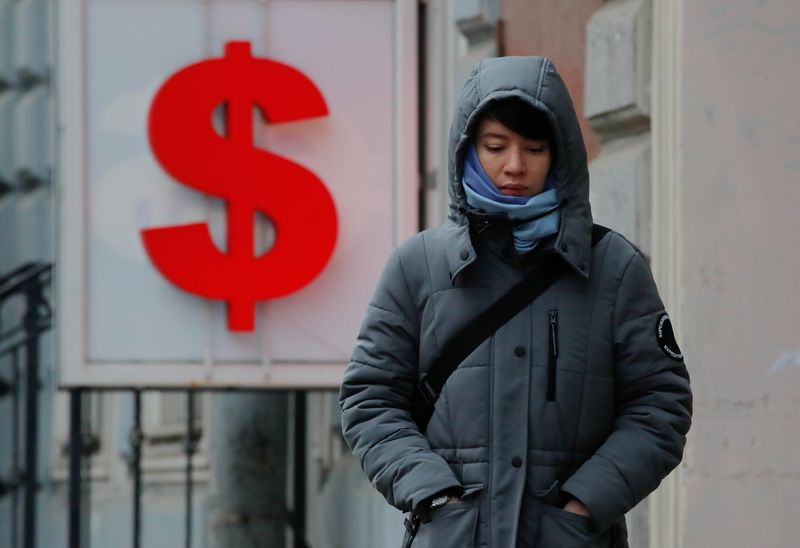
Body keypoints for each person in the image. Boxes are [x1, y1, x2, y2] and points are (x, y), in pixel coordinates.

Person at [339, 56, 692, 548]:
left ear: (560, 156)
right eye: (495, 146)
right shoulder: (417, 265)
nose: (514, 166)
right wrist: (436, 496)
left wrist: (584, 507)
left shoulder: (613, 266)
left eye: (534, 148)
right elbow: (369, 400)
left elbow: (660, 406)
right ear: (468, 149)